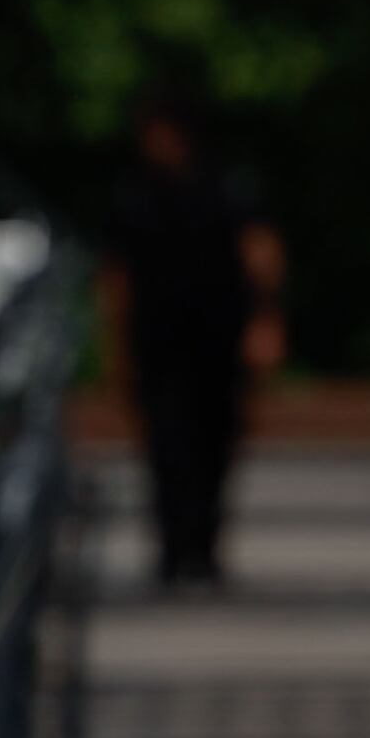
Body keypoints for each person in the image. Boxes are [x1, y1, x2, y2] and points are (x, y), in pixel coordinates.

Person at [102, 96, 283, 587]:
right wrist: (114, 346)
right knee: (165, 447)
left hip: (218, 338)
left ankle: (204, 548)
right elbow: (118, 277)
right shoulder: (134, 193)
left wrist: (265, 320)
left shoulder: (227, 185)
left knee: (215, 443)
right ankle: (172, 548)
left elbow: (260, 251)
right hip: (158, 343)